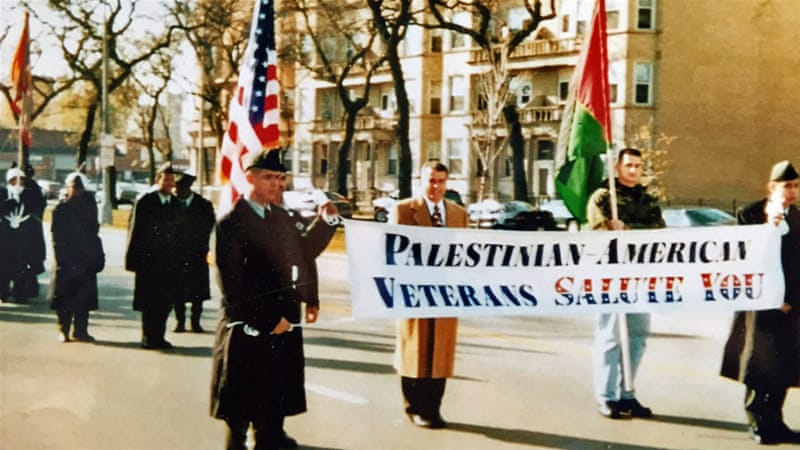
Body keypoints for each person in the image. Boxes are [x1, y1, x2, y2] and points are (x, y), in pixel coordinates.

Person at [210, 149, 339, 450]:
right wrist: (268, 320)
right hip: (248, 321)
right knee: (243, 390)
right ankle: (238, 441)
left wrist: (326, 222)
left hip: (284, 312)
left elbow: (304, 252)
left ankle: (270, 435)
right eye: (269, 177)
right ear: (250, 177)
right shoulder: (232, 222)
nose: (277, 184)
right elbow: (232, 285)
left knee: (276, 383)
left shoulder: (280, 217)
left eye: (281, 178)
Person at [720, 160, 800, 445]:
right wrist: (770, 225)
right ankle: (757, 421)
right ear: (771, 187)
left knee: (785, 366)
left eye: (795, 186)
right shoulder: (750, 214)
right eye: (785, 186)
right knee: (759, 365)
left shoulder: (798, 218)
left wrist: (791, 299)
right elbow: (746, 259)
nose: (791, 192)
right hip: (760, 306)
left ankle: (775, 420)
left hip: (791, 306)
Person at [586, 147, 665, 419]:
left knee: (638, 334)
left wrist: (629, 230)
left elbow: (659, 233)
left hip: (639, 274)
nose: (634, 170)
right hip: (610, 274)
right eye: (629, 165)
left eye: (638, 166)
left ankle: (626, 393)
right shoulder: (603, 197)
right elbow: (595, 229)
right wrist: (610, 227)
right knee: (610, 336)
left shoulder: (648, 200)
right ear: (617, 167)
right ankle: (606, 396)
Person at [390, 160, 468, 429]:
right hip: (414, 292)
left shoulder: (457, 213)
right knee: (415, 349)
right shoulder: (403, 210)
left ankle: (434, 407)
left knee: (440, 353)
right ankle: (414, 407)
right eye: (430, 180)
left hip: (446, 294)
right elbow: (391, 251)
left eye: (440, 181)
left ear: (447, 183)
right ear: (420, 181)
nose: (435, 187)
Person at [125, 163, 180, 349]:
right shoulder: (146, 202)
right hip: (148, 262)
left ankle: (160, 336)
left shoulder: (176, 204)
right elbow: (135, 231)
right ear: (158, 180)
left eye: (172, 180)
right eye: (166, 179)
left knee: (165, 302)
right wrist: (133, 260)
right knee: (149, 301)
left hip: (169, 263)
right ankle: (148, 336)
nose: (169, 183)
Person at [48, 171, 105, 343]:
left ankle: (81, 330)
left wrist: (95, 255)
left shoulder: (89, 206)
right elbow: (56, 236)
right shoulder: (61, 208)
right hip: (66, 259)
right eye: (74, 187)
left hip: (85, 259)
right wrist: (60, 258)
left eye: (80, 188)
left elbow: (94, 231)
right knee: (65, 299)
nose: (77, 191)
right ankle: (63, 329)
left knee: (83, 299)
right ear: (68, 188)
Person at [172, 171, 215, 333]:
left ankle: (195, 322)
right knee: (177, 291)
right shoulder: (172, 204)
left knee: (198, 292)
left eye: (180, 188)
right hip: (176, 255)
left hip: (197, 254)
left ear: (188, 188)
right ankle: (180, 322)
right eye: (176, 187)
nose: (177, 191)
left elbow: (209, 227)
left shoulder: (203, 205)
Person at [0, 165, 46, 304]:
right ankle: (3, 292)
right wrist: (9, 204)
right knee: (3, 267)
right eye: (14, 180)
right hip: (5, 238)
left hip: (23, 239)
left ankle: (21, 293)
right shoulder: (2, 193)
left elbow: (37, 210)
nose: (18, 184)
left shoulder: (30, 194)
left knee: (21, 268)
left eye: (21, 180)